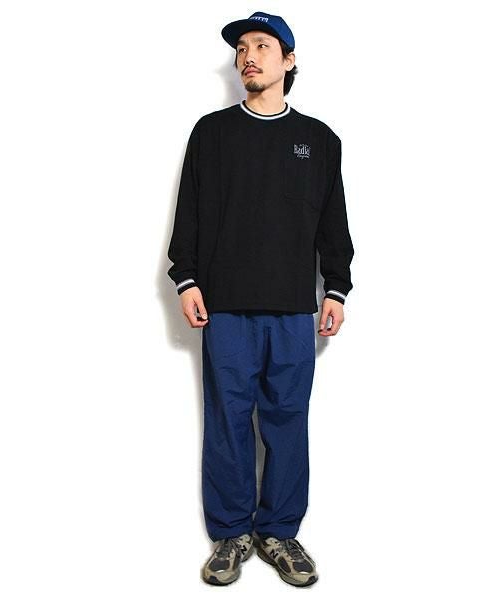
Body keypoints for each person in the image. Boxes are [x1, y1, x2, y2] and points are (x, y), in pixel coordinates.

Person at [166, 11, 354, 587]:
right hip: (226, 307)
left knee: (287, 420)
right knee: (227, 421)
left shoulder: (319, 140)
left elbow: (333, 222)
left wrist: (337, 287)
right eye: (242, 47)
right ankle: (231, 535)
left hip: (294, 310)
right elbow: (190, 212)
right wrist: (186, 278)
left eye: (263, 46)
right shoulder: (212, 133)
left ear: (289, 60)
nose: (248, 56)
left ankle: (279, 532)